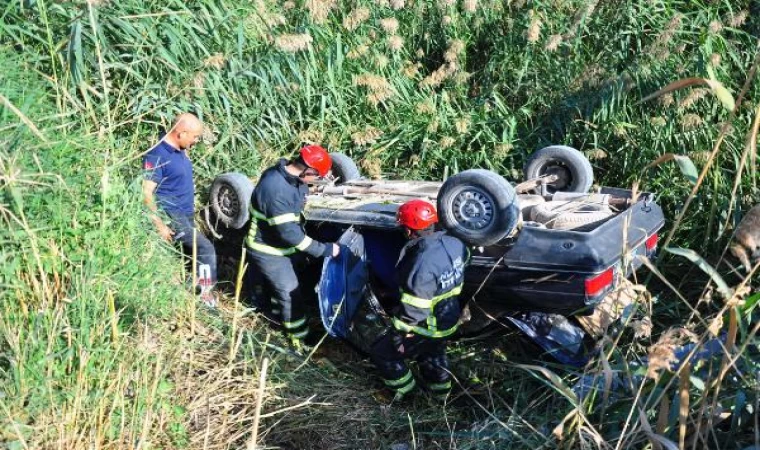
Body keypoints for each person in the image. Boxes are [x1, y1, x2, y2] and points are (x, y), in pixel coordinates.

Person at [369, 199, 470, 401]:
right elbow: (467, 261)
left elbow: (415, 311)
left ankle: (407, 395)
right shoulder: (456, 243)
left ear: (408, 231)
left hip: (428, 326)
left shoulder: (421, 266)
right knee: (433, 355)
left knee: (383, 353)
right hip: (449, 316)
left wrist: (399, 334)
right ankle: (442, 397)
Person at [246, 145, 340, 349]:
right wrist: (325, 250)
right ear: (308, 171)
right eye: (316, 178)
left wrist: (313, 190)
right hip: (268, 250)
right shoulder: (276, 190)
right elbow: (291, 235)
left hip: (281, 246)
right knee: (290, 292)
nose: (315, 182)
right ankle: (300, 338)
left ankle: (276, 316)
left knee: (285, 286)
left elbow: (299, 191)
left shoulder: (288, 176)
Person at [142, 113, 218, 307]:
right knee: (205, 248)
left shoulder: (180, 148)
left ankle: (187, 291)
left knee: (189, 254)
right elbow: (146, 193)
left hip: (185, 212)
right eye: (194, 137)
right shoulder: (157, 155)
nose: (196, 141)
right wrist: (159, 223)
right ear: (181, 132)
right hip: (171, 214)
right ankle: (206, 297)